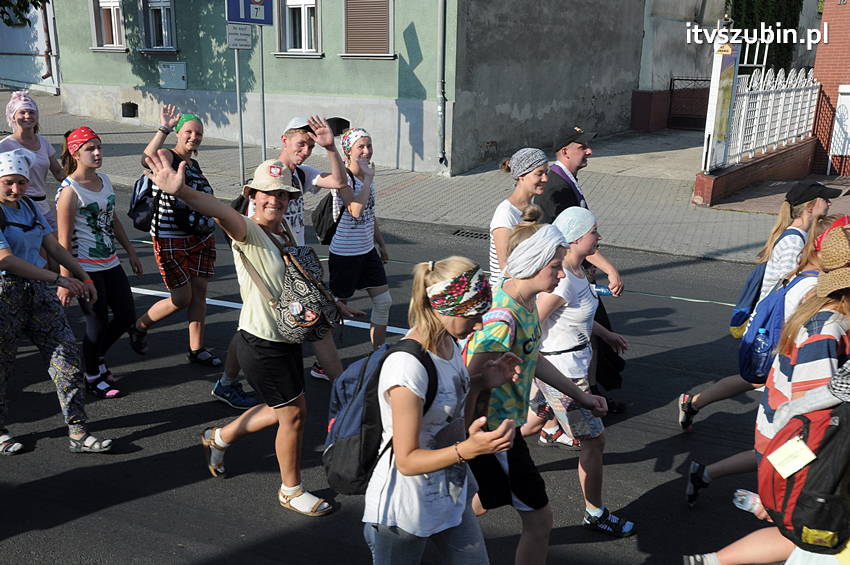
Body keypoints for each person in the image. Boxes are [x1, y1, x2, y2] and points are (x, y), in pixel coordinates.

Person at [141, 154, 347, 516]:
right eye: (267, 194)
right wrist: (183, 190)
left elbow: (298, 283)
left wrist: (334, 305)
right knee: (294, 415)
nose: (275, 200)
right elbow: (220, 211)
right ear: (252, 194)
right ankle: (290, 489)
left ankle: (219, 437)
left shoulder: (282, 230)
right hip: (261, 342)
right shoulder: (248, 230)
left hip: (284, 339)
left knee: (281, 409)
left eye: (282, 195)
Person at [683, 225, 850, 565]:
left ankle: (710, 559)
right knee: (803, 529)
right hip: (794, 445)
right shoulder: (828, 329)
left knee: (797, 534)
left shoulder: (819, 311)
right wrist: (788, 480)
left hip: (780, 438)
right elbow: (809, 418)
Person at [464, 218, 607, 565]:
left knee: (490, 497)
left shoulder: (527, 305)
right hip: (493, 434)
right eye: (556, 267)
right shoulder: (501, 318)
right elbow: (467, 381)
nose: (561, 276)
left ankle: (447, 521)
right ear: (532, 263)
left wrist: (582, 396)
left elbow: (533, 358)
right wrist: (463, 444)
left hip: (505, 431)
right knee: (540, 519)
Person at [363, 256, 518, 564]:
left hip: (450, 498)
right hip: (403, 513)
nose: (479, 324)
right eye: (472, 315)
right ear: (443, 308)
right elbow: (406, 460)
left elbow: (442, 400)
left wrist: (481, 381)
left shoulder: (448, 343)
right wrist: (468, 450)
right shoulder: (407, 367)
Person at [678, 181, 839, 434]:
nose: (829, 203)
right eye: (825, 199)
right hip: (775, 326)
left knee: (757, 379)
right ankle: (776, 433)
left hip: (778, 324)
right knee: (764, 379)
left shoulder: (797, 236)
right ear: (810, 205)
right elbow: (791, 286)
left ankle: (695, 403)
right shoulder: (794, 241)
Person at [213, 115, 350, 406]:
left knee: (264, 326)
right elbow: (250, 231)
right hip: (268, 261)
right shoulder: (268, 178)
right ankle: (342, 387)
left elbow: (339, 181)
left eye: (310, 146)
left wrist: (330, 147)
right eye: (301, 144)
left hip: (292, 261)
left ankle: (227, 382)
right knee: (272, 326)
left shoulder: (300, 174)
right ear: (284, 140)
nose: (305, 151)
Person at [525, 206, 635, 536]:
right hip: (564, 374)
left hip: (563, 370)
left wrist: (605, 333)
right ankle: (596, 513)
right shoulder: (561, 284)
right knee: (594, 441)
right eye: (594, 232)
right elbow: (532, 325)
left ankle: (485, 454)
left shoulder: (576, 272)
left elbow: (581, 316)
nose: (598, 237)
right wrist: (530, 364)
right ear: (575, 238)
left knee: (533, 422)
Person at [0, 148, 111, 454]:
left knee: (67, 360)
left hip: (39, 293)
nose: (15, 189)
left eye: (21, 183)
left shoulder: (31, 208)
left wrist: (82, 275)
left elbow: (54, 246)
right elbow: (6, 260)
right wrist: (59, 279)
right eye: (8, 182)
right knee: (2, 367)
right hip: (5, 294)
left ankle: (78, 431)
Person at [128, 105, 221, 368]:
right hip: (170, 237)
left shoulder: (194, 163)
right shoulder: (167, 155)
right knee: (182, 298)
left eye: (199, 133)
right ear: (179, 133)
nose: (194, 137)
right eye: (189, 132)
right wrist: (164, 128)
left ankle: (197, 348)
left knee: (200, 292)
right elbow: (148, 158)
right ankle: (139, 325)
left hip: (200, 236)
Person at [55, 126, 142, 399]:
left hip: (111, 261)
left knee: (127, 315)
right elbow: (63, 241)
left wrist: (131, 251)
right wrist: (66, 279)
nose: (97, 153)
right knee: (97, 323)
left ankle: (97, 357)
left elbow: (113, 219)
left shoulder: (104, 180)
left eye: (99, 147)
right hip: (85, 267)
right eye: (89, 149)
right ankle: (91, 373)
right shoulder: (69, 191)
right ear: (75, 153)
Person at [329, 127, 391, 350]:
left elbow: (368, 213)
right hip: (345, 254)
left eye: (369, 146)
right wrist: (367, 180)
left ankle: (378, 354)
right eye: (360, 147)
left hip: (366, 251)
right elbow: (355, 210)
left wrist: (381, 245)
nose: (366, 151)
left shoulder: (367, 177)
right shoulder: (343, 178)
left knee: (384, 302)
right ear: (348, 151)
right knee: (338, 308)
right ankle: (323, 360)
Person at [0, 91, 65, 230]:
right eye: (22, 112)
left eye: (31, 112)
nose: (27, 116)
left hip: (42, 205)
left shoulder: (43, 142)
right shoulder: (4, 146)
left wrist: (81, 182)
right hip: (18, 206)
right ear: (13, 116)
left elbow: (59, 172)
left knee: (55, 246)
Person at [488, 148, 549, 286]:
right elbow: (505, 266)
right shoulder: (506, 214)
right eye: (539, 173)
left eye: (546, 172)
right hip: (506, 295)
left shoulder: (532, 206)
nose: (545, 178)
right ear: (521, 175)